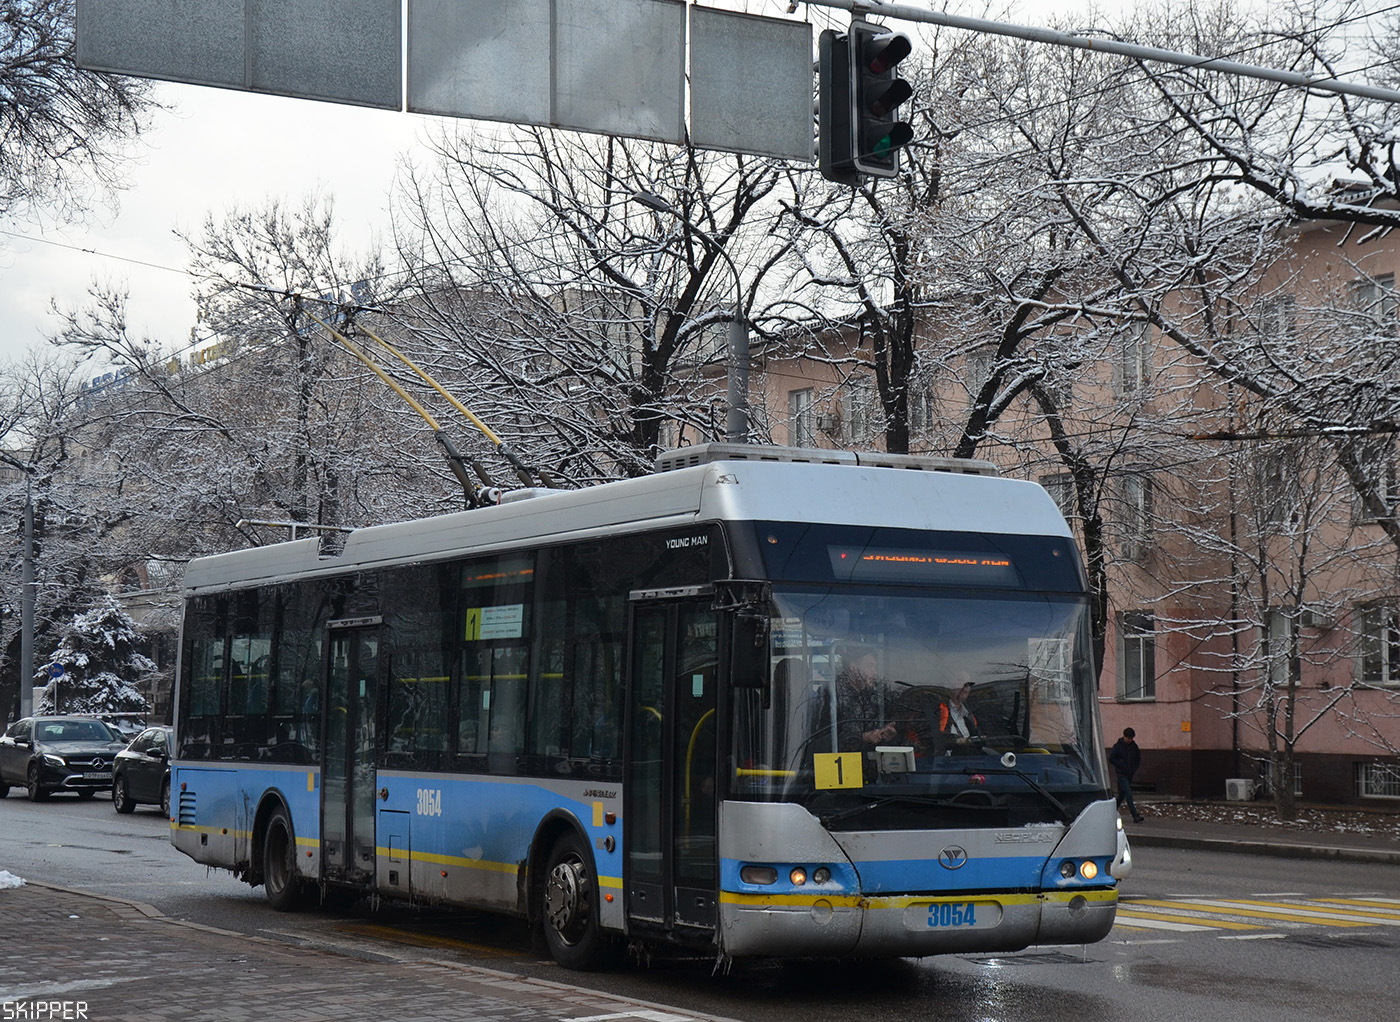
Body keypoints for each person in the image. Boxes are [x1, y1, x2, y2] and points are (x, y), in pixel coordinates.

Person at [834, 646, 897, 752]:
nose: (875, 672)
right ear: (853, 668)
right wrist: (864, 737)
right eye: (870, 666)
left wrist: (884, 733)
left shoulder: (873, 695)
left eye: (875, 667)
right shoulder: (833, 694)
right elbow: (823, 739)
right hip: (840, 762)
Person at [1109, 727, 1145, 823]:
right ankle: (1135, 815)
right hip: (1121, 774)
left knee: (1122, 795)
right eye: (1128, 738)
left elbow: (1138, 758)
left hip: (1130, 774)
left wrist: (1134, 768)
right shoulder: (1118, 746)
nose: (1130, 740)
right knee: (1128, 793)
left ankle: (1110, 811)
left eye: (1131, 738)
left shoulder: (1134, 746)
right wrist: (1120, 764)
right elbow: (1111, 758)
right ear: (1124, 736)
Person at [937, 675, 980, 751]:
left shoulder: (970, 714)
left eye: (968, 684)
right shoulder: (937, 710)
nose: (965, 687)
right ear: (948, 685)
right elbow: (933, 739)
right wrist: (957, 741)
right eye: (961, 681)